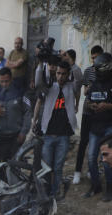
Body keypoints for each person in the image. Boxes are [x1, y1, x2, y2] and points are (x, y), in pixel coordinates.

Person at [83, 52, 112, 202]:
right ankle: (96, 186)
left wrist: (107, 106)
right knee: (91, 158)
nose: (97, 71)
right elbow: (88, 101)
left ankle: (111, 188)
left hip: (110, 126)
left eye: (99, 68)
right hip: (95, 126)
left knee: (107, 159)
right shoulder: (95, 83)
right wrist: (92, 105)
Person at [35, 65, 79, 198]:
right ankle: (46, 192)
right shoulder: (49, 87)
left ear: (68, 74)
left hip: (63, 136)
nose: (60, 76)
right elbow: (38, 90)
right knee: (47, 167)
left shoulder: (71, 87)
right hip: (48, 135)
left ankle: (55, 193)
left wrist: (71, 63)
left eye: (63, 74)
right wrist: (34, 120)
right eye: (58, 73)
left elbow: (80, 79)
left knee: (58, 167)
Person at [73, 44, 103, 186]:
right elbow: (84, 92)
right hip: (87, 111)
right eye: (92, 58)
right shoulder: (88, 71)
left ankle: (92, 170)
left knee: (96, 142)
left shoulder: (107, 72)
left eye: (96, 58)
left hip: (100, 111)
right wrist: (92, 84)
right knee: (83, 141)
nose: (94, 61)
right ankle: (77, 172)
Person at [0, 68, 29, 161]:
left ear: (11, 79)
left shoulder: (20, 92)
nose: (4, 84)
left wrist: (23, 132)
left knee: (15, 167)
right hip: (1, 137)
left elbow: (28, 113)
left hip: (16, 137)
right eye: (1, 81)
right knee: (2, 166)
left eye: (6, 81)